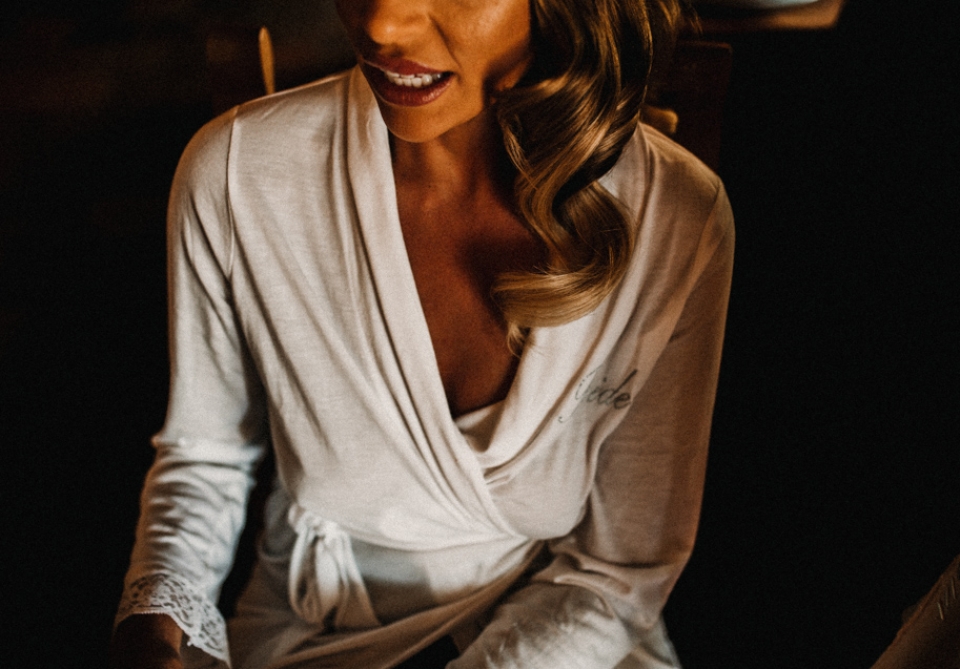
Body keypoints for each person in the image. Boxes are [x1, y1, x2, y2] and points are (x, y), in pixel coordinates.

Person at [110, 0, 734, 667]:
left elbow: (620, 570)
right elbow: (207, 454)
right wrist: (152, 621)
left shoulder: (678, 221)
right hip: (319, 630)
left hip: (570, 635)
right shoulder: (237, 176)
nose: (381, 25)